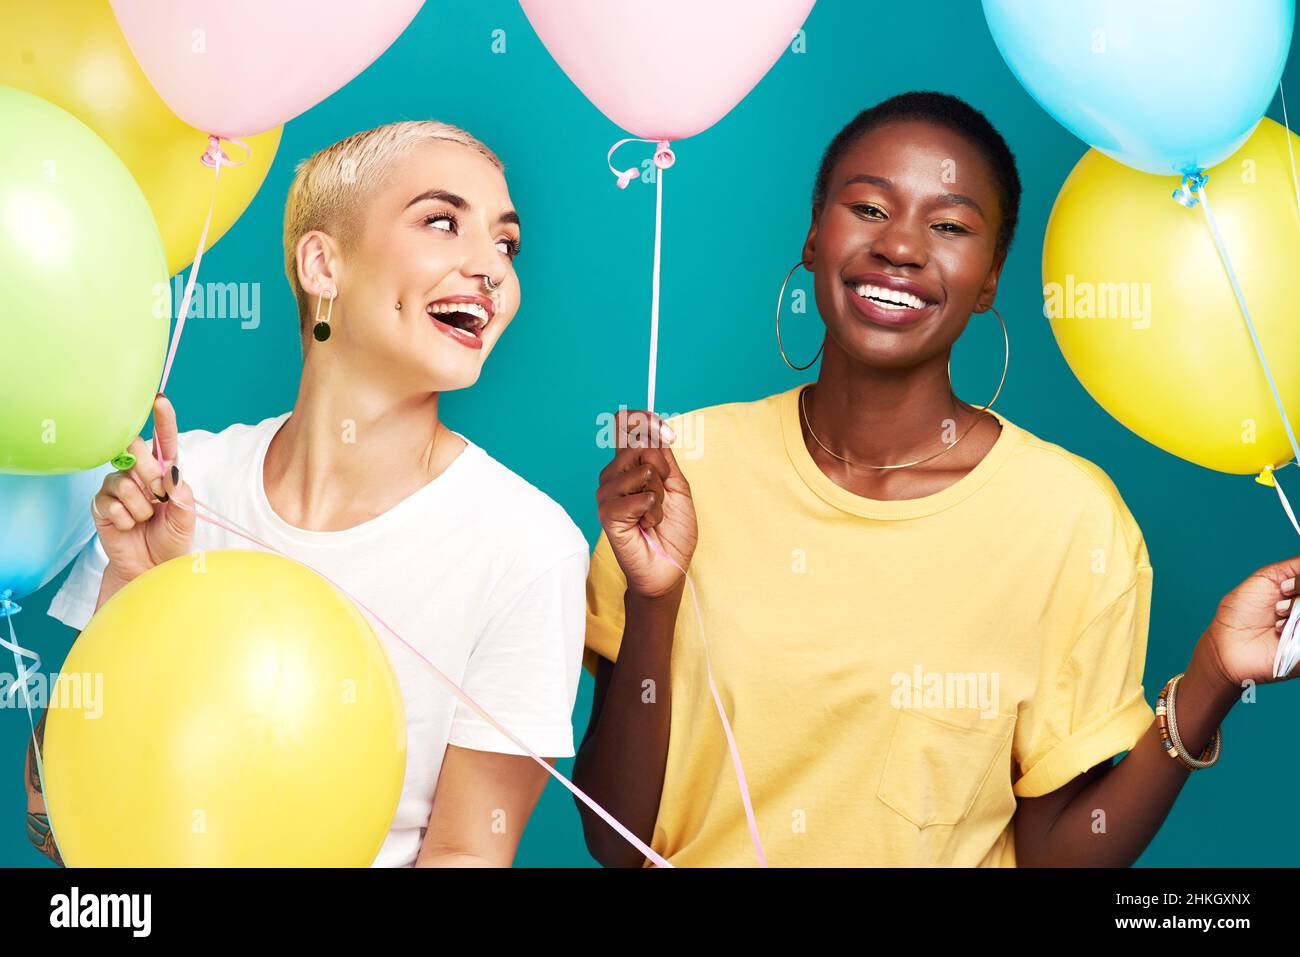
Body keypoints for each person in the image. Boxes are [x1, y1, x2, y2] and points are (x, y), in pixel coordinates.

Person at [574, 91, 1300, 867]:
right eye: (869, 208)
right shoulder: (679, 470)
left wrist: (1212, 679)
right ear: (814, 237)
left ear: (989, 281)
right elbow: (614, 840)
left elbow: (1056, 854)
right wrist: (655, 602)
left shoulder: (1069, 520)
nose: (902, 248)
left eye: (949, 225)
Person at [27, 120, 588, 868]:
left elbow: (466, 852)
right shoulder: (178, 486)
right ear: (322, 263)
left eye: (506, 244)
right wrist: (129, 593)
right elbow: (52, 819)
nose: (490, 269)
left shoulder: (528, 547)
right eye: (443, 222)